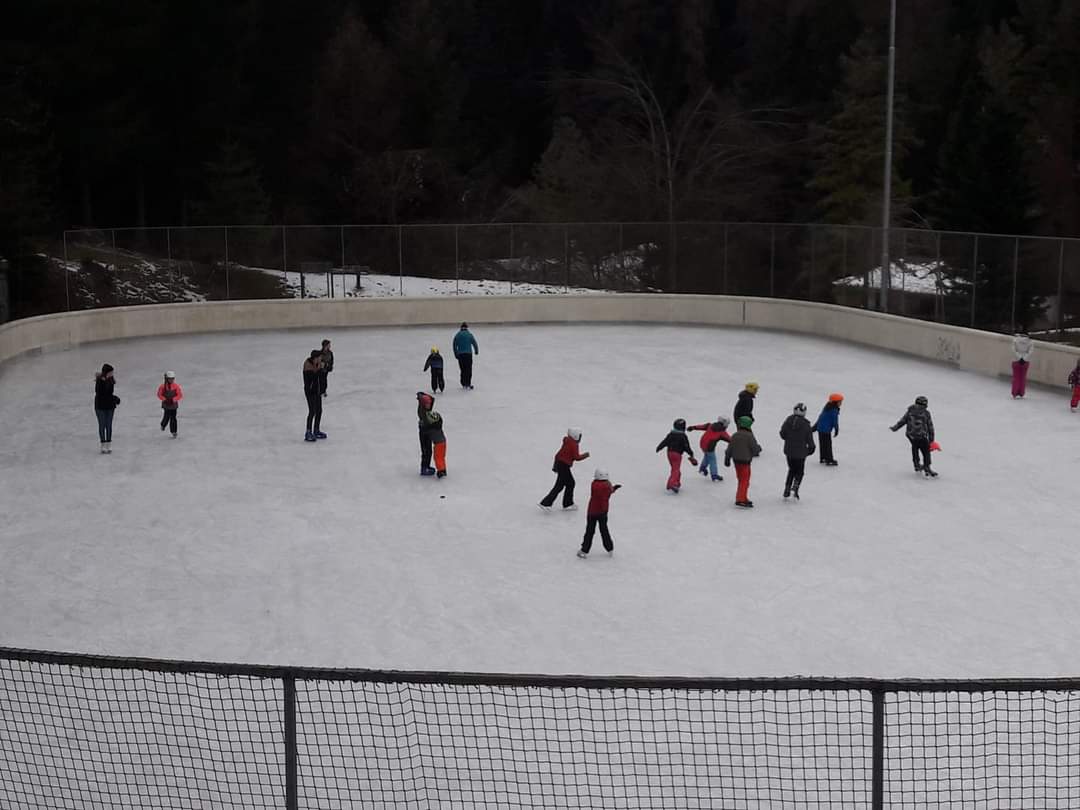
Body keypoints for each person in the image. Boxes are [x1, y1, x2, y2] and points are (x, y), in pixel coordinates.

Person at [539, 429, 590, 510]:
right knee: (570, 483)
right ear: (576, 436)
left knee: (561, 485)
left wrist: (555, 466)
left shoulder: (567, 441)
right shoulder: (574, 444)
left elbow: (558, 455)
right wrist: (585, 455)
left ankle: (548, 503)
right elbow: (576, 457)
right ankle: (565, 504)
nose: (580, 438)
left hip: (560, 465)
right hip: (564, 466)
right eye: (580, 436)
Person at [577, 469, 621, 559]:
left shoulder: (594, 484)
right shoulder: (607, 485)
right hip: (602, 513)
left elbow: (604, 493)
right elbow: (605, 495)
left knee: (589, 532)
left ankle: (584, 550)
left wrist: (612, 489)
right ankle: (609, 548)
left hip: (592, 512)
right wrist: (613, 488)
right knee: (604, 530)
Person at [890, 395, 937, 477]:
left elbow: (903, 420)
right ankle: (927, 467)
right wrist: (931, 440)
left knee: (915, 448)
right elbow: (930, 426)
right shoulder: (926, 413)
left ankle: (917, 465)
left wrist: (895, 428)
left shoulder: (910, 411)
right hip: (921, 436)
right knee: (926, 451)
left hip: (911, 435)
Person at [779, 403, 815, 500]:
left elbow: (782, 434)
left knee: (791, 470)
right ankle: (795, 486)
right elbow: (810, 440)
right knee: (799, 471)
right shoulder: (806, 425)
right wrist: (810, 449)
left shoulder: (788, 421)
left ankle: (787, 487)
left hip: (789, 451)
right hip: (800, 453)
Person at [724, 416, 762, 507]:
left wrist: (727, 458)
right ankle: (740, 499)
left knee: (741, 479)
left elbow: (729, 448)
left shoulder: (735, 435)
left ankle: (743, 497)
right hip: (745, 461)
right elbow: (755, 448)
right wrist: (758, 449)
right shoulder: (749, 436)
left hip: (736, 461)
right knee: (745, 481)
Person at [655, 419, 698, 494]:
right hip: (677, 455)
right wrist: (691, 453)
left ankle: (676, 483)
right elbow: (686, 446)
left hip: (669, 453)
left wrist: (659, 447)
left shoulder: (671, 434)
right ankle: (671, 484)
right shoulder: (683, 436)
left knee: (675, 469)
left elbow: (665, 442)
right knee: (676, 470)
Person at [688, 417, 731, 481]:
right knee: (712, 460)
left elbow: (701, 426)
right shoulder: (722, 432)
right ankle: (714, 475)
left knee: (707, 456)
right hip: (709, 447)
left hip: (702, 444)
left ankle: (702, 469)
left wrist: (693, 427)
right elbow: (730, 439)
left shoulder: (710, 426)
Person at [94, 363, 120, 454]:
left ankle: (108, 443)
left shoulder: (111, 380)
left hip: (110, 406)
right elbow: (101, 394)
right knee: (102, 425)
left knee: (108, 425)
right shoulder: (99, 382)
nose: (112, 374)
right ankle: (103, 444)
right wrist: (114, 398)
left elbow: (109, 394)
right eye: (111, 372)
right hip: (100, 406)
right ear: (106, 372)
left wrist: (114, 399)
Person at [812, 393, 843, 466]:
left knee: (822, 444)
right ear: (836, 402)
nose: (841, 403)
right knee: (828, 445)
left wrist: (815, 427)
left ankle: (823, 458)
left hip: (820, 429)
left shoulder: (827, 407)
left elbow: (821, 417)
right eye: (840, 402)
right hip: (826, 430)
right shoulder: (834, 410)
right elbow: (834, 420)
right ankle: (829, 460)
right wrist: (836, 429)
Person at [303, 350, 325, 442]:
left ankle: (316, 430)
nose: (321, 359)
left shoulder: (317, 364)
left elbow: (321, 378)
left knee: (319, 410)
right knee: (312, 411)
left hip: (317, 391)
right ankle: (308, 432)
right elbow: (312, 379)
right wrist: (319, 369)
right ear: (315, 358)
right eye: (320, 358)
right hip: (310, 392)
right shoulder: (307, 365)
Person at [156, 371, 184, 438]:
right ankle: (163, 425)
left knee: (173, 418)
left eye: (172, 378)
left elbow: (180, 395)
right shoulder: (162, 387)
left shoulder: (176, 386)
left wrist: (173, 399)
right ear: (166, 379)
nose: (171, 380)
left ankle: (174, 431)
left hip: (173, 405)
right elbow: (159, 394)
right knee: (166, 416)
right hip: (166, 405)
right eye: (170, 378)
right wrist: (165, 399)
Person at [416, 391, 438, 475]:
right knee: (426, 451)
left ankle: (426, 466)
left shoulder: (426, 409)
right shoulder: (423, 412)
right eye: (427, 404)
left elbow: (432, 400)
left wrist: (423, 396)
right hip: (424, 433)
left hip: (427, 433)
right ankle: (424, 468)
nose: (429, 405)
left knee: (429, 451)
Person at [453, 323, 479, 389]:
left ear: (461, 328)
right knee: (468, 369)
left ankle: (463, 383)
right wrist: (476, 351)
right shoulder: (469, 335)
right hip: (468, 355)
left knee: (463, 369)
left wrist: (456, 354)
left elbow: (454, 345)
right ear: (466, 328)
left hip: (461, 355)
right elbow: (474, 343)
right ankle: (468, 383)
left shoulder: (457, 335)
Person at [428, 408, 448, 478]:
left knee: (437, 457)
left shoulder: (432, 429)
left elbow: (428, 434)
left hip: (438, 444)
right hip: (443, 442)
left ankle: (441, 470)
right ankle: (443, 469)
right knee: (441, 457)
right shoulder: (438, 426)